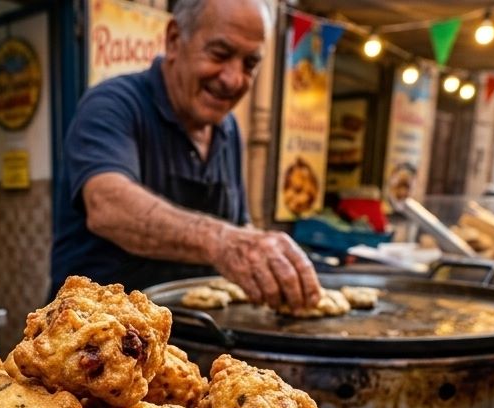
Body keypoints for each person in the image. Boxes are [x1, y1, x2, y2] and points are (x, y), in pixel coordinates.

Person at [51, 0, 321, 310]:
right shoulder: (113, 104)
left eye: (249, 64)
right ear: (175, 40)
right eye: (220, 54)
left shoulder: (228, 130)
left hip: (196, 334)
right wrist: (221, 241)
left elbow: (238, 224)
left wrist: (267, 256)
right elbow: (108, 205)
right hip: (96, 338)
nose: (233, 79)